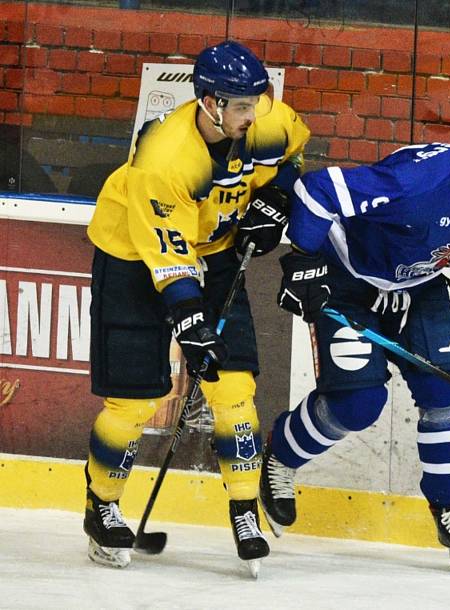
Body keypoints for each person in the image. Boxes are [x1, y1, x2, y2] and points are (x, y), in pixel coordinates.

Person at [259, 104, 450, 574]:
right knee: (357, 404)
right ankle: (280, 457)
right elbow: (318, 188)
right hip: (349, 277)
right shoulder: (421, 181)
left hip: (415, 286)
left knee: (444, 391)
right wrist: (302, 258)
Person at [82, 40, 310, 572]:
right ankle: (102, 507)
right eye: (241, 106)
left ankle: (243, 507)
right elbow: (169, 259)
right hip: (132, 257)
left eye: (258, 101)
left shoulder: (266, 118)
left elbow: (293, 156)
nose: (254, 115)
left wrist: (278, 196)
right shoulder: (164, 158)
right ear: (209, 102)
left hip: (215, 249)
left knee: (235, 388)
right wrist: (191, 323)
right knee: (134, 403)